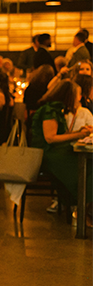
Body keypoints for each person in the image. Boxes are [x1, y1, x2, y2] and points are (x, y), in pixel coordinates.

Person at [31, 80, 92, 224]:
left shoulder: (57, 109)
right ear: (69, 96)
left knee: (89, 164)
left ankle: (85, 208)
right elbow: (50, 138)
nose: (80, 98)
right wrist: (79, 135)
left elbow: (61, 134)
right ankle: (84, 209)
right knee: (88, 168)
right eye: (77, 95)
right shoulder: (50, 110)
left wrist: (79, 131)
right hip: (50, 154)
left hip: (57, 151)